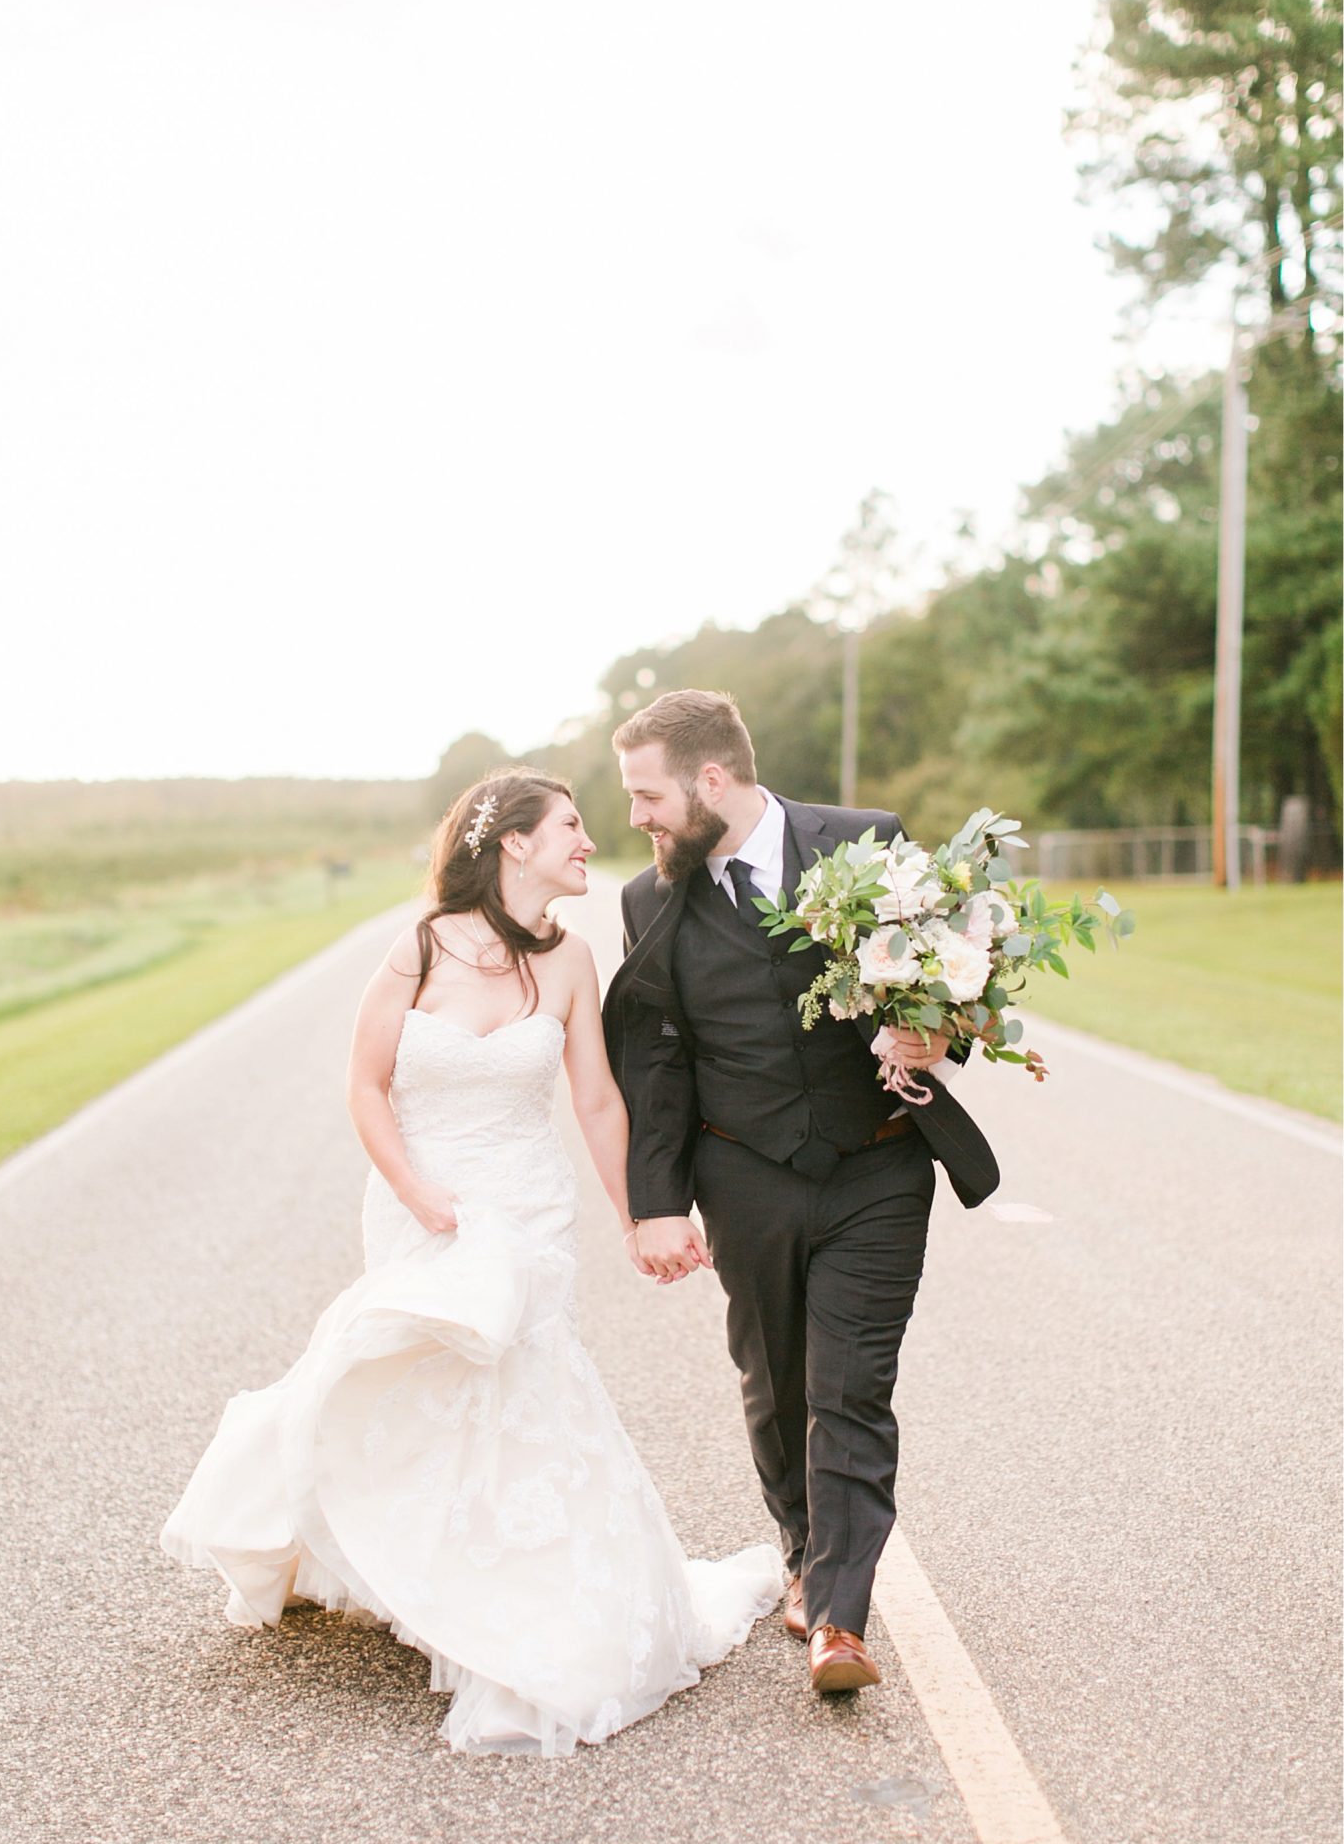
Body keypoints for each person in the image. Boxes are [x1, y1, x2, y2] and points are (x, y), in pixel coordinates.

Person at [160, 767, 782, 1756]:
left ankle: (513, 1596)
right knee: (407, 1368)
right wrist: (413, 1188)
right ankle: (367, 1544)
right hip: (424, 1200)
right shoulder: (416, 947)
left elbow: (597, 1103)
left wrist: (639, 1217)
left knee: (521, 1383)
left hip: (528, 1206)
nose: (588, 842)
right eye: (571, 828)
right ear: (514, 844)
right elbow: (365, 1086)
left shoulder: (575, 959)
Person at [603, 691, 1000, 1694]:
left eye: (649, 794)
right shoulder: (651, 901)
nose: (639, 817)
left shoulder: (869, 845)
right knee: (776, 1378)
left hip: (875, 1164)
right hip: (743, 1172)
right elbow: (656, 1065)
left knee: (851, 1386)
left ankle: (838, 1614)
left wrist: (933, 1034)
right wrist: (656, 1200)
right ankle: (798, 1546)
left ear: (711, 779)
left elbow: (947, 981)